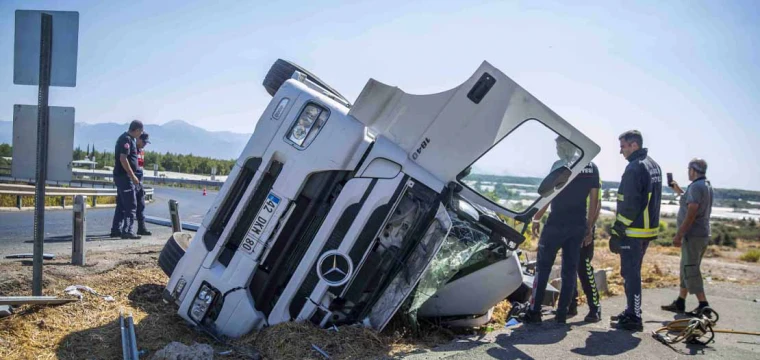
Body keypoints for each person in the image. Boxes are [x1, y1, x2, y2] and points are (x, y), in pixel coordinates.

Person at [523, 136, 601, 324]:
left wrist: (537, 217)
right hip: (577, 226)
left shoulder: (559, 165)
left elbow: (548, 194)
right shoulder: (592, 167)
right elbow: (595, 200)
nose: (557, 150)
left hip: (556, 224)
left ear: (565, 146)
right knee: (569, 270)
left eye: (558, 146)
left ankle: (534, 312)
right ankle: (562, 313)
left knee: (542, 269)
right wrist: (589, 227)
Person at [609, 130, 662, 331]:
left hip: (633, 231)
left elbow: (630, 204)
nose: (620, 151)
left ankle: (634, 316)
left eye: (623, 146)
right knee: (633, 273)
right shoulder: (653, 165)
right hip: (646, 231)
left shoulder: (634, 167)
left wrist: (617, 230)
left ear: (634, 145)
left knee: (631, 274)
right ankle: (632, 309)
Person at [661, 158, 714, 314]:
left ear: (693, 170)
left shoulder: (696, 187)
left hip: (693, 235)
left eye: (688, 169)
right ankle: (680, 301)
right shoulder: (704, 185)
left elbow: (691, 213)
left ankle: (704, 305)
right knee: (686, 267)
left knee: (690, 269)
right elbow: (689, 201)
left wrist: (679, 234)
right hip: (701, 234)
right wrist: (677, 189)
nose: (687, 172)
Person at [109, 120, 144, 239]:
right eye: (140, 131)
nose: (140, 134)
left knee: (121, 204)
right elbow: (123, 159)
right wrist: (132, 176)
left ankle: (116, 229)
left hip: (122, 176)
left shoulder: (127, 139)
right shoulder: (126, 140)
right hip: (125, 176)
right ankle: (128, 230)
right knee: (131, 204)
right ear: (137, 130)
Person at [135, 132, 152, 236]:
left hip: (139, 181)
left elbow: (140, 168)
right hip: (132, 181)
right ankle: (122, 229)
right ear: (138, 139)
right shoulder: (132, 150)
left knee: (141, 205)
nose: (145, 144)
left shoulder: (141, 152)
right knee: (128, 207)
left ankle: (142, 228)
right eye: (144, 142)